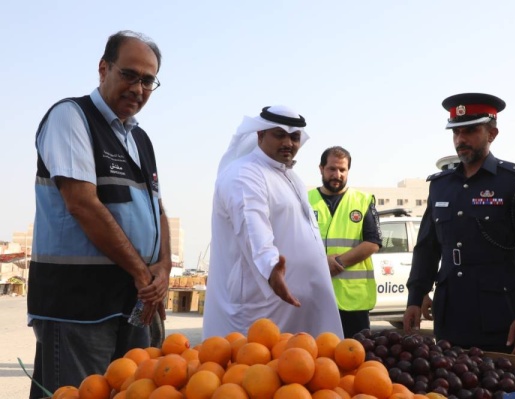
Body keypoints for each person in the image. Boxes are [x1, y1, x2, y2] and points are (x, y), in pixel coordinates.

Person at [28, 30, 171, 397]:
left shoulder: (139, 139)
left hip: (134, 304)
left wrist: (164, 268)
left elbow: (157, 209)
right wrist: (143, 272)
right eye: (129, 74)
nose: (138, 88)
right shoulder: (71, 117)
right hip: (79, 308)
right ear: (103, 68)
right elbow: (82, 204)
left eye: (148, 80)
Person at [403, 93, 515, 354]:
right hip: (451, 316)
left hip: (501, 318)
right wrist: (415, 297)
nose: (461, 140)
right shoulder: (441, 186)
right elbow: (427, 248)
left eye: (471, 131)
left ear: (492, 133)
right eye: (456, 132)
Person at [203, 105, 344, 339]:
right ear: (260, 134)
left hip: (293, 307)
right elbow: (252, 227)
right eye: (279, 135)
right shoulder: (244, 173)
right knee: (254, 372)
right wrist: (271, 269)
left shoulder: (289, 176)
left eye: (294, 137)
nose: (288, 143)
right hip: (260, 308)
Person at [308, 146, 382, 338]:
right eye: (332, 169)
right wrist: (321, 264)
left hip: (353, 301)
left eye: (342, 170)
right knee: (318, 359)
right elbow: (295, 243)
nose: (337, 174)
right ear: (321, 169)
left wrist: (338, 263)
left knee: (356, 358)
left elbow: (373, 242)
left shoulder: (363, 200)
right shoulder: (306, 201)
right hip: (316, 296)